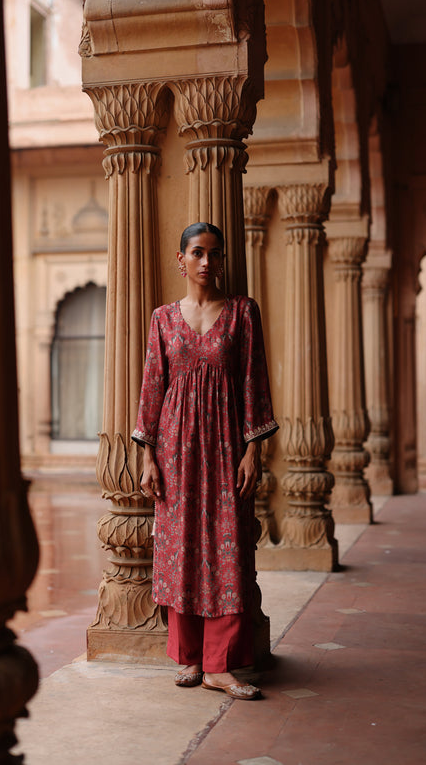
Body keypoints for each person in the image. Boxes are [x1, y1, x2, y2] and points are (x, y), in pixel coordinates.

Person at [132, 222, 278, 701]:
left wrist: (253, 450)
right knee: (181, 547)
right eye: (197, 253)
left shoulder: (241, 314)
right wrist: (148, 454)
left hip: (226, 448)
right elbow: (153, 385)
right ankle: (190, 658)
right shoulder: (162, 319)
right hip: (175, 449)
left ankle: (222, 664)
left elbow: (255, 382)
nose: (207, 263)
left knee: (228, 548)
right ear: (181, 260)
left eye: (215, 254)